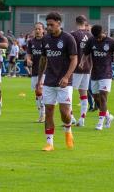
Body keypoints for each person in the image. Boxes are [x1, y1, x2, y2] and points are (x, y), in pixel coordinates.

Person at [79, 25, 114, 130]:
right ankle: (108, 116)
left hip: (106, 73)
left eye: (99, 36)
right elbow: (85, 54)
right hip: (95, 74)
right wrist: (82, 62)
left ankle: (100, 123)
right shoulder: (91, 41)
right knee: (96, 99)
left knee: (103, 97)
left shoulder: (111, 42)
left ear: (103, 31)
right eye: (96, 37)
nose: (98, 39)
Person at [36, 12, 78, 151]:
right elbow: (43, 59)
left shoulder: (68, 38)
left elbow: (74, 59)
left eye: (51, 25)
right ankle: (49, 143)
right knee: (48, 111)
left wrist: (67, 77)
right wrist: (39, 80)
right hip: (49, 81)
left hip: (64, 82)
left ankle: (68, 129)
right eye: (47, 24)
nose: (48, 27)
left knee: (65, 114)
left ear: (59, 23)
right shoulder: (46, 39)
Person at [71, 15, 93, 127]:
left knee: (68, 93)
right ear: (85, 22)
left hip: (75, 68)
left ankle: (71, 117)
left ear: (76, 22)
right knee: (83, 93)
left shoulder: (73, 35)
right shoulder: (90, 35)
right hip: (87, 68)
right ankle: (82, 118)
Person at [26, 22, 45, 123]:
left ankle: (43, 114)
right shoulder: (31, 41)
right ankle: (41, 114)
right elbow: (29, 54)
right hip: (35, 70)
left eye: (39, 29)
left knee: (40, 91)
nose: (37, 31)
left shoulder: (46, 40)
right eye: (36, 29)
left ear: (43, 30)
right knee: (37, 93)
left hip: (45, 71)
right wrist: (28, 60)